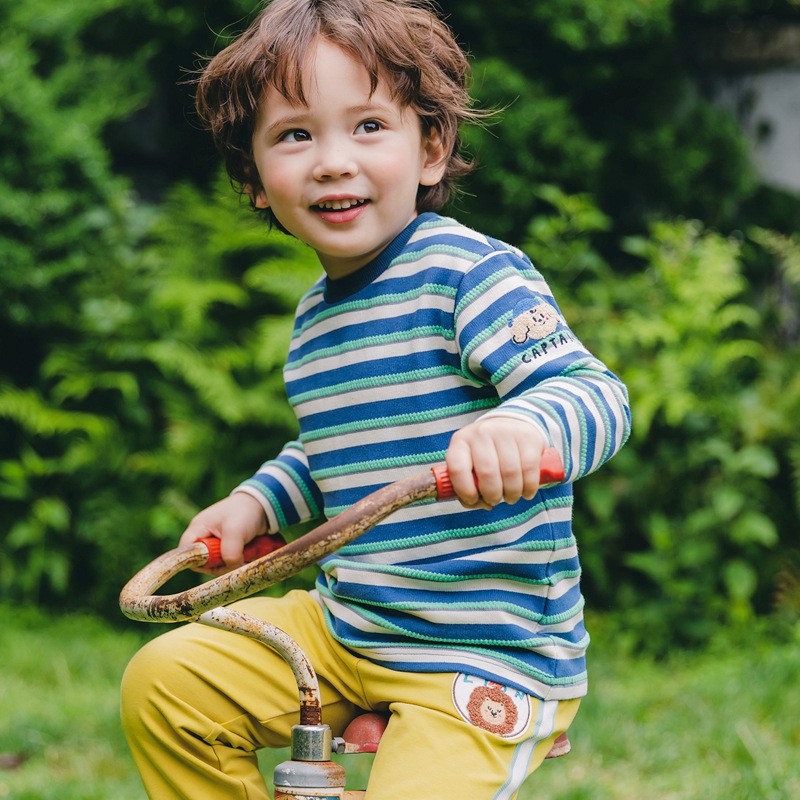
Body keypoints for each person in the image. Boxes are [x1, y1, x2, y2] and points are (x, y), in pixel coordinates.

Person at [121, 1, 631, 798]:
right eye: (295, 135)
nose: (331, 161)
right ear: (255, 180)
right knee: (168, 681)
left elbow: (592, 392)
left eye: (367, 127)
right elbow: (331, 450)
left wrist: (521, 422)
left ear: (430, 148)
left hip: (484, 647)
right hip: (348, 627)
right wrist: (256, 502)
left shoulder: (469, 273)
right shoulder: (314, 321)